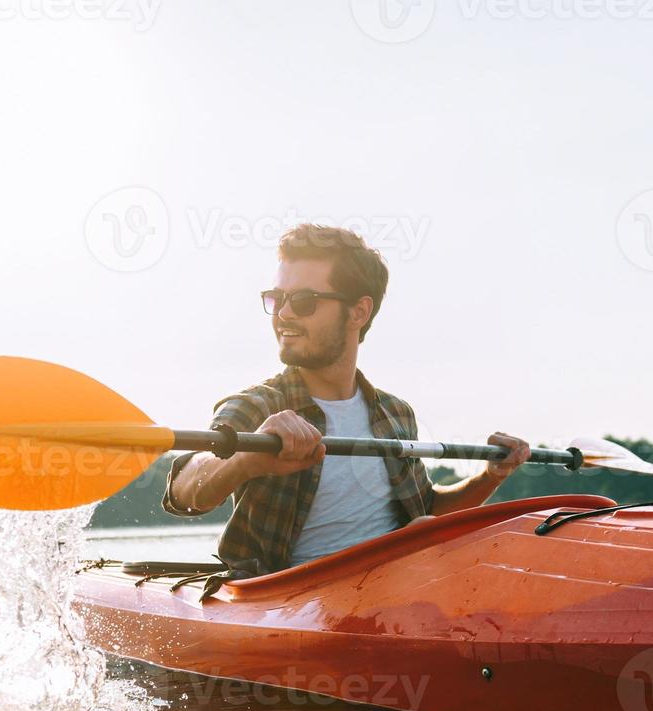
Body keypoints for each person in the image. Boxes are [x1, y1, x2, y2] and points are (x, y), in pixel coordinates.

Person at [162, 224, 531, 576]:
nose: (284, 313)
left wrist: (490, 475)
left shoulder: (396, 414)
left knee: (426, 525)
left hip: (400, 592)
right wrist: (244, 461)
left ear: (359, 311)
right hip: (290, 606)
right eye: (277, 299)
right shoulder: (258, 406)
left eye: (304, 301)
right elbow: (183, 489)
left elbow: (430, 507)